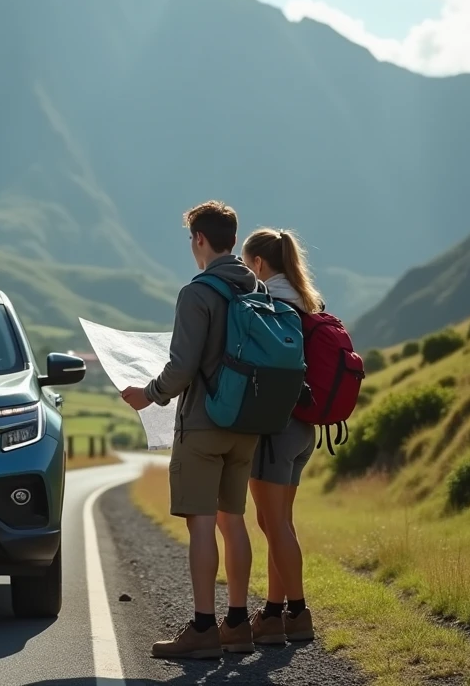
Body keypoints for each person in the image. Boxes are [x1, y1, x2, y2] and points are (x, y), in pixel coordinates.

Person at [121, 200, 261, 659]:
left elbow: (181, 369)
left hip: (203, 424)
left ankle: (203, 628)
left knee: (202, 524)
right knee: (233, 520)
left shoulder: (197, 293)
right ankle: (237, 623)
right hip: (247, 423)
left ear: (199, 239)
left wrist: (149, 394)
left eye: (191, 239)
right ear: (234, 240)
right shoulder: (255, 288)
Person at [238, 227, 324, 645]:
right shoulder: (308, 300)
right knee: (277, 522)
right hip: (304, 428)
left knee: (275, 525)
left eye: (244, 261)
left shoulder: (267, 303)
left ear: (257, 264)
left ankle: (297, 613)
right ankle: (273, 614)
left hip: (276, 428)